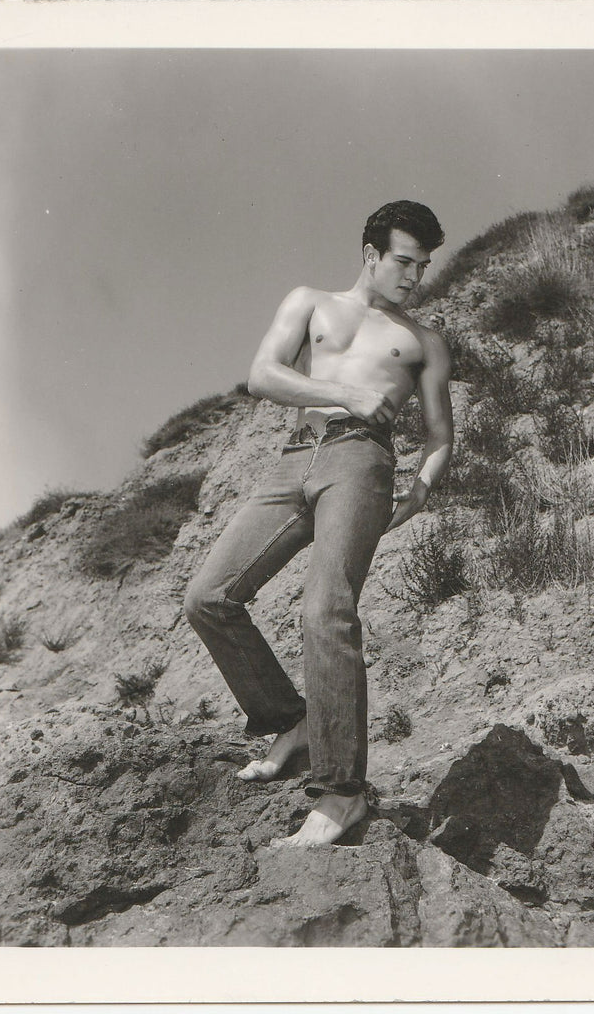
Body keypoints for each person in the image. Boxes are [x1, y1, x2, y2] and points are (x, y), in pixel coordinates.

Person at [184, 200, 453, 847]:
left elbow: (441, 434)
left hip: (361, 462)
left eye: (422, 266)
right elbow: (263, 376)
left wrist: (421, 487)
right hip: (294, 459)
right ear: (370, 254)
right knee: (208, 597)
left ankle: (341, 792)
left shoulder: (422, 342)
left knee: (326, 610)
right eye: (404, 262)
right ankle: (293, 721)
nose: (414, 277)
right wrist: (344, 393)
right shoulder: (310, 303)